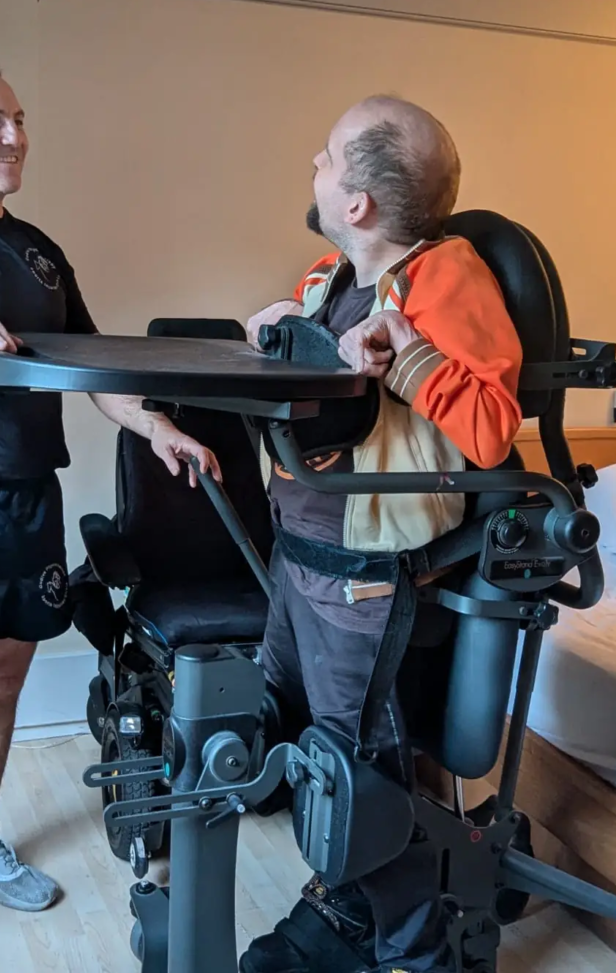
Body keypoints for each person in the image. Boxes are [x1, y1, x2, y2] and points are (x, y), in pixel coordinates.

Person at [0, 52, 220, 973]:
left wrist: (155, 427)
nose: (16, 136)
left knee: (2, 683)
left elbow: (87, 365)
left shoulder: (37, 249)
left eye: (19, 118)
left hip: (33, 492)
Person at [240, 95, 523, 973]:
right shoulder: (329, 275)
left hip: (369, 566)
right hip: (303, 549)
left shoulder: (446, 275)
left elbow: (490, 427)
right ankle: (349, 909)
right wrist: (271, 335)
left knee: (356, 775)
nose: (313, 171)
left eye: (325, 160)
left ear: (358, 199)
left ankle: (415, 953)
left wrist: (405, 349)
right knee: (291, 735)